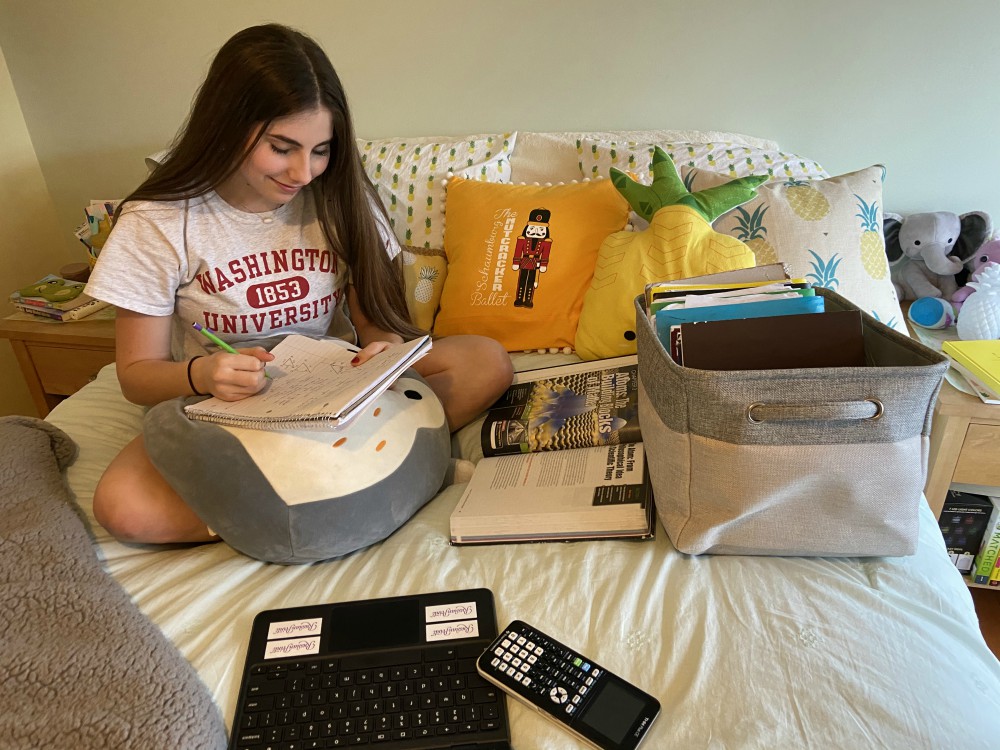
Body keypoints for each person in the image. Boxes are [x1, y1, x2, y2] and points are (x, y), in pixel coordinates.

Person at [85, 24, 513, 545]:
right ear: (226, 125)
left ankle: (304, 493)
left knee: (484, 361)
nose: (303, 172)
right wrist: (203, 374)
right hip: (227, 408)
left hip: (336, 395)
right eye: (281, 147)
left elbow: (375, 319)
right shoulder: (157, 222)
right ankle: (378, 475)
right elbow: (136, 377)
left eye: (321, 150)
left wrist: (383, 350)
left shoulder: (339, 197)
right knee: (123, 508)